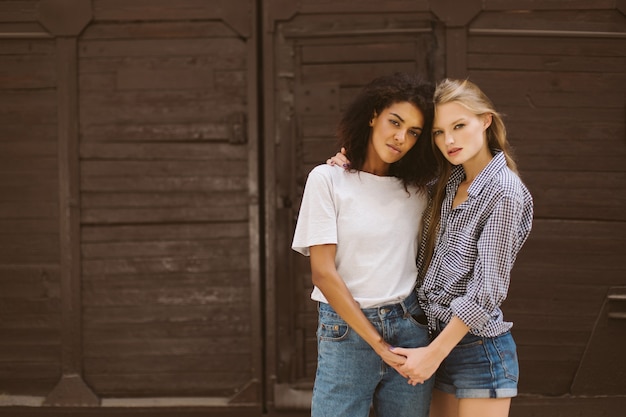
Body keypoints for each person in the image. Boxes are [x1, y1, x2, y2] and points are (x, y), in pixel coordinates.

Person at [328, 78, 533, 417]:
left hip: (477, 350)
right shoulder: (445, 183)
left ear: (486, 121)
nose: (449, 140)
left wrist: (433, 354)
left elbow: (487, 291)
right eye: (438, 132)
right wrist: (347, 167)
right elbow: (387, 186)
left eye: (459, 126)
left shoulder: (504, 192)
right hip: (435, 343)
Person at [291, 72, 438, 417]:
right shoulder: (327, 179)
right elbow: (323, 274)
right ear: (373, 115)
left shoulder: (419, 190)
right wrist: (379, 344)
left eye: (413, 132)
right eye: (395, 122)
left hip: (410, 327)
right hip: (347, 332)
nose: (401, 137)